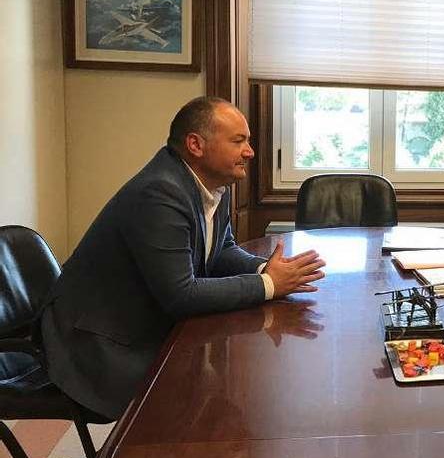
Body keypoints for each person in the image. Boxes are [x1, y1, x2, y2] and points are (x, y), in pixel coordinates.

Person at [40, 96, 326, 420]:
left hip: (143, 323)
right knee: (205, 409)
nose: (250, 152)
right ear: (195, 144)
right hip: (97, 344)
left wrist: (267, 270)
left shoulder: (214, 185)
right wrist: (268, 285)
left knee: (223, 396)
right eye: (238, 141)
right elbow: (181, 296)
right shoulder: (160, 193)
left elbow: (222, 250)